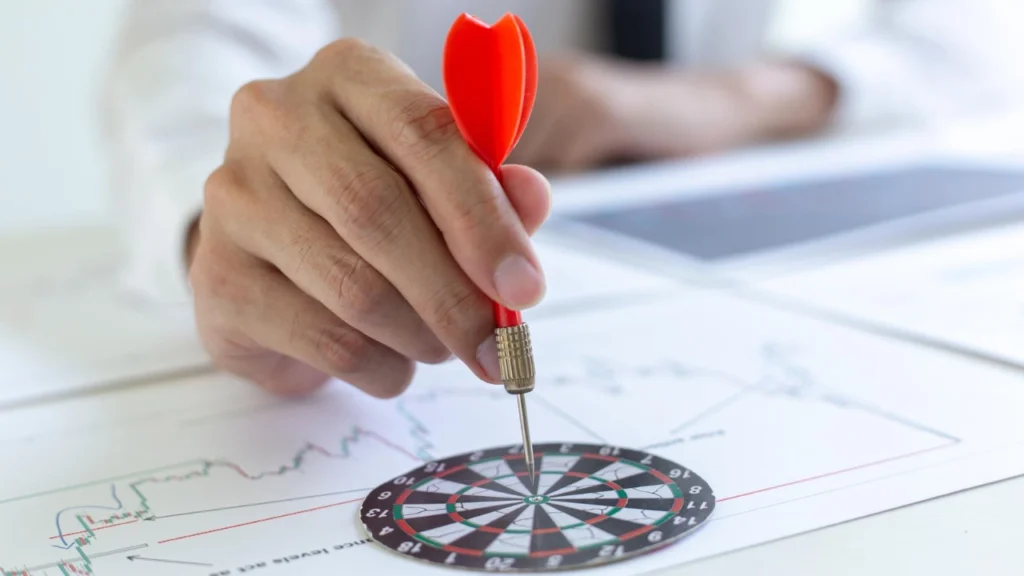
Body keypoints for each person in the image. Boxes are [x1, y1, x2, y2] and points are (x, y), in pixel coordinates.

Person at [101, 0, 1023, 398]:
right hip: (387, 262)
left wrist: (748, 95)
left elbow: (970, 41)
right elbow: (189, 56)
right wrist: (217, 218)